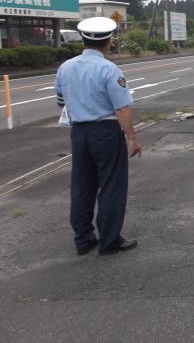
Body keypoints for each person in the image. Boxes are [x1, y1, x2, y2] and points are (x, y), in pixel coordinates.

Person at [54, 17, 141, 256]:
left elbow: (61, 101)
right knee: (112, 184)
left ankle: (83, 239)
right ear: (109, 41)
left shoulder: (66, 67)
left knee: (82, 185)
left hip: (79, 132)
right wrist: (131, 138)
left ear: (83, 40)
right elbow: (121, 108)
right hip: (106, 131)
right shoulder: (109, 69)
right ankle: (110, 240)